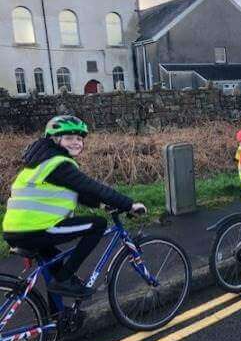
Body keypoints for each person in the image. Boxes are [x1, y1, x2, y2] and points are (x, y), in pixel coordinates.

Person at [2, 115, 146, 299]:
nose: (76, 142)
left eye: (79, 139)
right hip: (36, 229)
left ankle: (57, 318)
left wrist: (102, 204)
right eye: (69, 138)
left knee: (55, 263)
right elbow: (93, 187)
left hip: (19, 230)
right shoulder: (58, 164)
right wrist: (129, 204)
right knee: (98, 225)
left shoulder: (41, 162)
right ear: (54, 139)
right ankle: (64, 280)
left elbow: (79, 193)